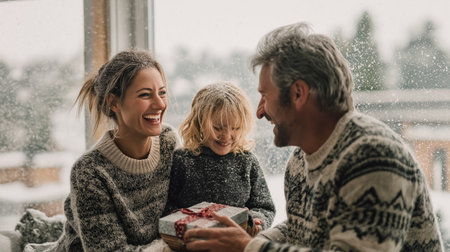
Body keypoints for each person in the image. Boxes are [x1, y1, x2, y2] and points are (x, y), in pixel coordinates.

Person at [183, 23, 444, 251]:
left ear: (298, 93)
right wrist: (241, 239)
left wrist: (250, 248)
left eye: (265, 95)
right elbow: (301, 232)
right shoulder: (300, 160)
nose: (260, 111)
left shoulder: (375, 156)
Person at [24, 50, 178, 251]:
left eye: (162, 92)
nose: (160, 104)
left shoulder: (168, 141)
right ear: (113, 102)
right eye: (145, 95)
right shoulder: (89, 171)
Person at [165, 82, 275, 237]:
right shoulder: (182, 160)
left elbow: (264, 207)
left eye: (235, 128)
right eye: (217, 128)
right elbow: (167, 205)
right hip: (192, 243)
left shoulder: (247, 162)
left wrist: (257, 222)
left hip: (235, 243)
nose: (226, 136)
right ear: (199, 122)